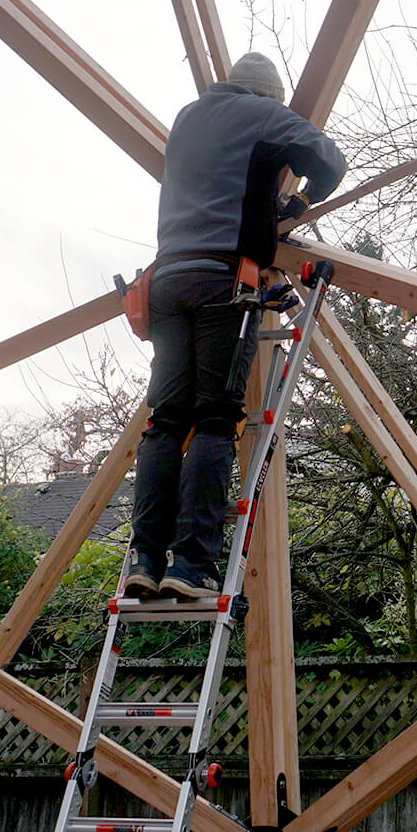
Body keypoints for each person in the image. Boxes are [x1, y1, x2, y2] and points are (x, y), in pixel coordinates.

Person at [125, 52, 346, 599]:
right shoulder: (264, 115)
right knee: (217, 417)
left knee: (166, 421)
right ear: (268, 96)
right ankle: (191, 566)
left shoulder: (188, 117)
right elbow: (331, 161)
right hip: (227, 280)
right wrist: (295, 202)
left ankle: (145, 559)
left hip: (167, 280)